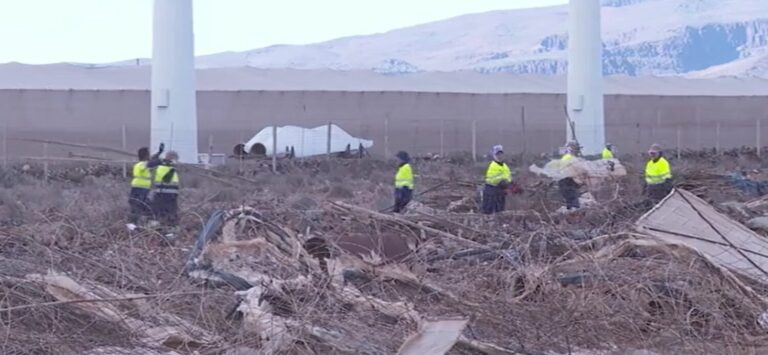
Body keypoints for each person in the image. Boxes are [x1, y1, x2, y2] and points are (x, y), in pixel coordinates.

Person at [128, 145, 162, 225]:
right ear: (145, 155)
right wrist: (158, 161)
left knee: (141, 205)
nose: (149, 155)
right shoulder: (142, 165)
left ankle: (137, 222)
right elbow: (151, 163)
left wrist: (159, 152)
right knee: (140, 205)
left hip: (140, 187)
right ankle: (135, 223)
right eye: (148, 154)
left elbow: (151, 160)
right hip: (140, 188)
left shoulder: (139, 164)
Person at [152, 150, 180, 228]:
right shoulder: (162, 167)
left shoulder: (171, 169)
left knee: (172, 214)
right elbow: (166, 179)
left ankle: (171, 229)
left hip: (172, 196)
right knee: (162, 214)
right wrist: (173, 168)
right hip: (163, 195)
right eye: (174, 159)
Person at [482, 145, 512, 214]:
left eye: (501, 154)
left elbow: (508, 177)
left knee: (500, 211)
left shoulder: (505, 166)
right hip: (491, 192)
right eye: (498, 154)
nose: (500, 156)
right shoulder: (493, 166)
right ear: (494, 155)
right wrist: (502, 181)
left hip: (501, 192)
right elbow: (491, 180)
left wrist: (509, 183)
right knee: (489, 211)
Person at [558, 142, 581, 210]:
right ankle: (574, 212)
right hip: (567, 180)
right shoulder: (570, 158)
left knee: (569, 200)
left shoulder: (566, 157)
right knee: (573, 199)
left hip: (564, 180)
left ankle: (570, 212)